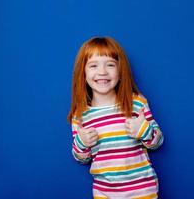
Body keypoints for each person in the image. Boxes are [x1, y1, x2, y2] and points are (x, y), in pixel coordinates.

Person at [67, 36, 164, 199]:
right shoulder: (81, 116)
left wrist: (144, 131)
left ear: (120, 71)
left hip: (143, 191)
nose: (102, 71)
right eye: (93, 65)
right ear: (83, 73)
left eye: (110, 64)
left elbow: (158, 142)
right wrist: (81, 143)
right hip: (105, 193)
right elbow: (80, 158)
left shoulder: (136, 103)